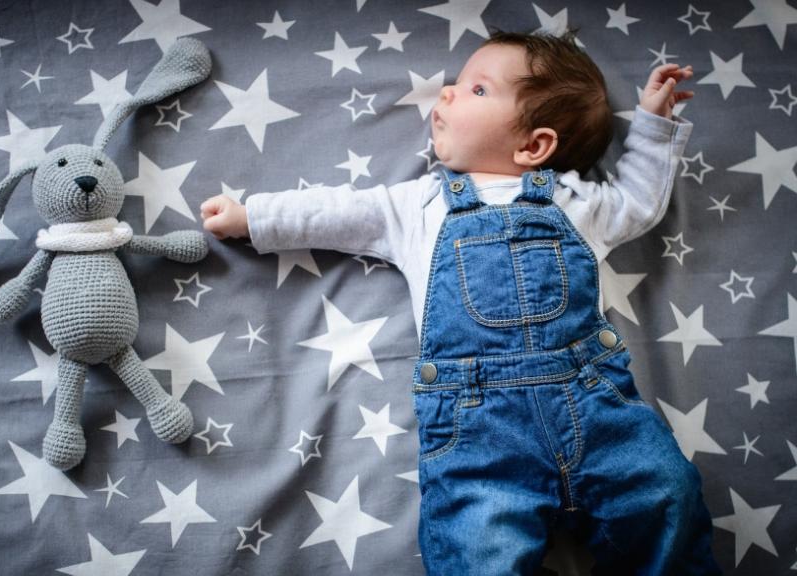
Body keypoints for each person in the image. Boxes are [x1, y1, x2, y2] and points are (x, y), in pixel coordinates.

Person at [201, 31, 721, 575]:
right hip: (479, 434)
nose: (447, 92)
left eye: (477, 89)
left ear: (534, 147)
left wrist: (652, 125)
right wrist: (253, 217)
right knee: (476, 550)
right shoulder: (418, 206)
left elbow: (640, 199)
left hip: (598, 410)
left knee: (668, 494)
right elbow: (336, 212)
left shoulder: (579, 203)